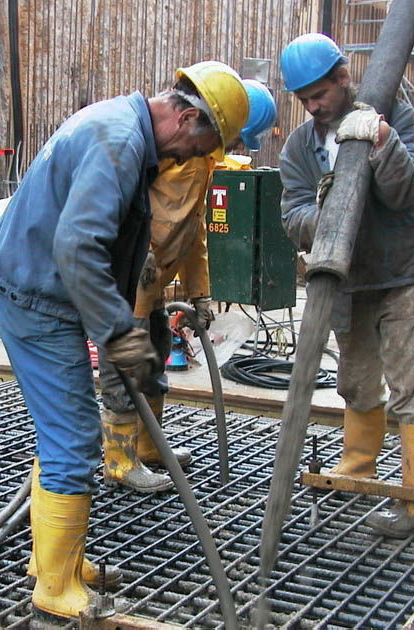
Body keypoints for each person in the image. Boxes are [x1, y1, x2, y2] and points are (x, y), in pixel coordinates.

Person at [0, 62, 249, 623]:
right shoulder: (121, 142)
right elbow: (78, 251)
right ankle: (54, 587)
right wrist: (122, 335)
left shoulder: (123, 129)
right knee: (75, 436)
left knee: (63, 429)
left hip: (41, 287)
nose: (196, 159)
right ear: (187, 117)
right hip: (35, 295)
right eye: (202, 145)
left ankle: (55, 560)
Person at [277, 33, 414, 538]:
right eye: (304, 99)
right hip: (348, 283)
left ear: (343, 78)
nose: (313, 107)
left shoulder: (395, 117)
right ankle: (358, 475)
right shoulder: (301, 147)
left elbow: (406, 191)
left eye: (319, 94)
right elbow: (293, 214)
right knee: (357, 381)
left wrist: (381, 142)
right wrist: (327, 211)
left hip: (404, 273)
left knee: (412, 387)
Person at [97, 78, 277, 493]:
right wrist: (131, 251)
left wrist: (200, 291)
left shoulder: (204, 162)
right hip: (129, 284)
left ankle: (148, 445)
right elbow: (123, 201)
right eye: (230, 140)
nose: (231, 149)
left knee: (156, 357)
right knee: (128, 366)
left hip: (157, 283)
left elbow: (194, 232)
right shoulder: (167, 153)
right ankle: (119, 459)